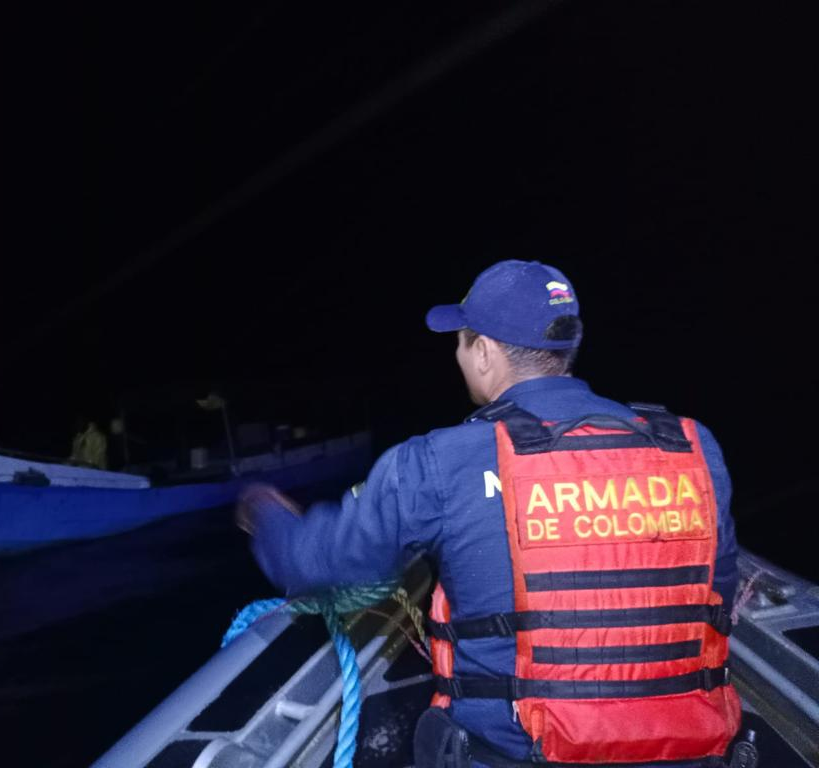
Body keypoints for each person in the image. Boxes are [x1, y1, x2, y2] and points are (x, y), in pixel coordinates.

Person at [237, 260, 741, 768]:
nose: (458, 357)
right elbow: (717, 586)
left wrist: (264, 512)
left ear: (482, 352)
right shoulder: (692, 449)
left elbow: (313, 561)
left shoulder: (438, 461)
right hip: (686, 753)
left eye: (459, 342)